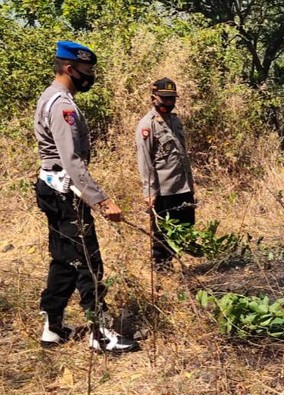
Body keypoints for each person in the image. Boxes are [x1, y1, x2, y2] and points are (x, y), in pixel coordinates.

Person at [33, 41, 139, 353]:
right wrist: (102, 200)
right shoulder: (62, 104)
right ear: (69, 68)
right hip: (64, 192)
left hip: (52, 189)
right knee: (88, 262)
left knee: (65, 260)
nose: (89, 76)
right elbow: (72, 161)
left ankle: (52, 327)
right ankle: (101, 334)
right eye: (87, 71)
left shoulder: (52, 96)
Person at [135, 78, 195, 272]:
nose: (169, 103)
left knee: (185, 225)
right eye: (165, 99)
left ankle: (177, 262)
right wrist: (149, 191)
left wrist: (191, 184)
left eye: (172, 99)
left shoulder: (175, 120)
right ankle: (162, 268)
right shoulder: (147, 124)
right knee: (162, 231)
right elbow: (145, 160)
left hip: (182, 185)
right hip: (163, 189)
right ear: (154, 98)